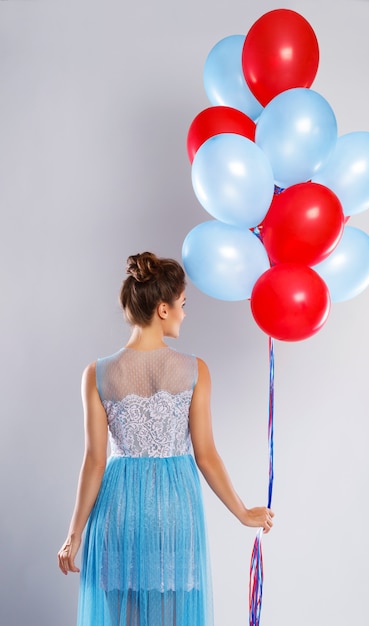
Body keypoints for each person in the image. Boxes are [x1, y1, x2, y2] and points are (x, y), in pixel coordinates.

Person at [57, 251, 274, 626]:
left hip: (118, 514)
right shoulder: (195, 370)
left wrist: (73, 534)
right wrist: (241, 512)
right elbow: (206, 455)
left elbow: (94, 461)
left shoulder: (96, 374)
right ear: (162, 309)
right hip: (173, 512)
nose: (184, 314)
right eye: (182, 305)